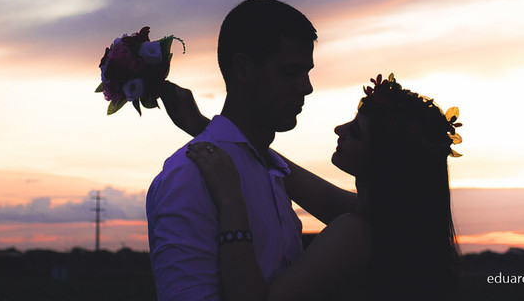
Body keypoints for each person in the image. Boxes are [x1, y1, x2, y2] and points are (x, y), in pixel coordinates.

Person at [179, 73, 462, 300]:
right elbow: (319, 196)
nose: (340, 129)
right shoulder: (401, 222)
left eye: (356, 131)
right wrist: (206, 127)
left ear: (383, 159)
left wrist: (231, 200)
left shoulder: (357, 230)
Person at [146, 0, 323, 301]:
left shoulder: (272, 171)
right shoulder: (189, 175)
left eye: (306, 72)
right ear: (242, 69)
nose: (306, 87)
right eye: (290, 72)